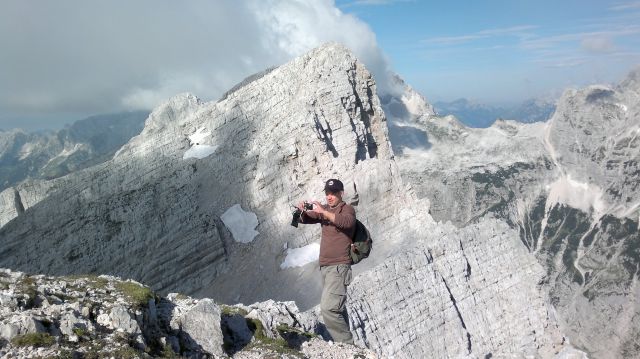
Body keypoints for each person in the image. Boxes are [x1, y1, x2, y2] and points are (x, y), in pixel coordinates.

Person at [297, 178, 355, 344]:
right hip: (326, 267)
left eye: (333, 193)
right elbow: (304, 219)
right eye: (327, 193)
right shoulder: (325, 210)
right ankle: (347, 344)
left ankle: (348, 347)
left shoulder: (347, 209)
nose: (329, 196)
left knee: (328, 308)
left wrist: (323, 212)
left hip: (339, 267)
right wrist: (300, 210)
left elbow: (347, 222)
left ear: (341, 193)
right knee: (337, 308)